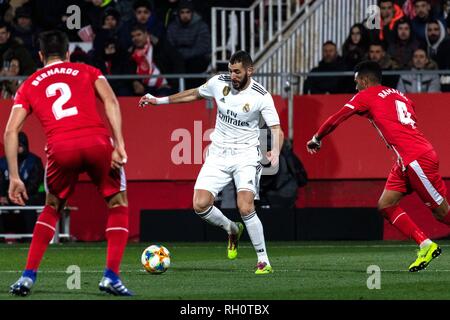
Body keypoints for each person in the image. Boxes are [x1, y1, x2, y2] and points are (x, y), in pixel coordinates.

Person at [4, 30, 132, 296]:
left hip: (61, 148)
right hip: (97, 142)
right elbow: (110, 100)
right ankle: (111, 276)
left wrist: (14, 177)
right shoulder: (88, 70)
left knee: (52, 207)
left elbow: (10, 131)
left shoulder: (29, 84)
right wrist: (118, 144)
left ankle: (28, 277)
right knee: (118, 203)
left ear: (40, 56)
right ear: (68, 53)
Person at [139, 50, 284, 274]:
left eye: (237, 72)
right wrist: (158, 101)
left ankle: (263, 260)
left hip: (246, 155)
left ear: (249, 71)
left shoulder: (261, 96)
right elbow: (194, 94)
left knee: (245, 205)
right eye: (230, 71)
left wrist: (274, 150)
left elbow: (277, 129)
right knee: (200, 204)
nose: (233, 76)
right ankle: (232, 229)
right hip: (218, 154)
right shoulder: (219, 82)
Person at [306, 61, 449, 272]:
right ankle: (426, 245)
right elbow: (411, 117)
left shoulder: (367, 95)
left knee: (442, 212)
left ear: (364, 80)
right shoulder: (400, 95)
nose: (356, 88)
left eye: (356, 83)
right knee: (386, 205)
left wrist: (317, 137)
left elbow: (337, 117)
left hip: (416, 159)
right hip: (406, 160)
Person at [0, 132, 45, 236]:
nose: (16, 148)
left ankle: (29, 238)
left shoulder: (34, 161)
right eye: (14, 145)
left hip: (30, 196)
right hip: (9, 197)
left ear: (24, 146)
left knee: (29, 204)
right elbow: (1, 181)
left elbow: (34, 184)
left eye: (19, 145)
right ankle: (1, 239)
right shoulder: (2, 162)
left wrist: (19, 196)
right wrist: (3, 196)